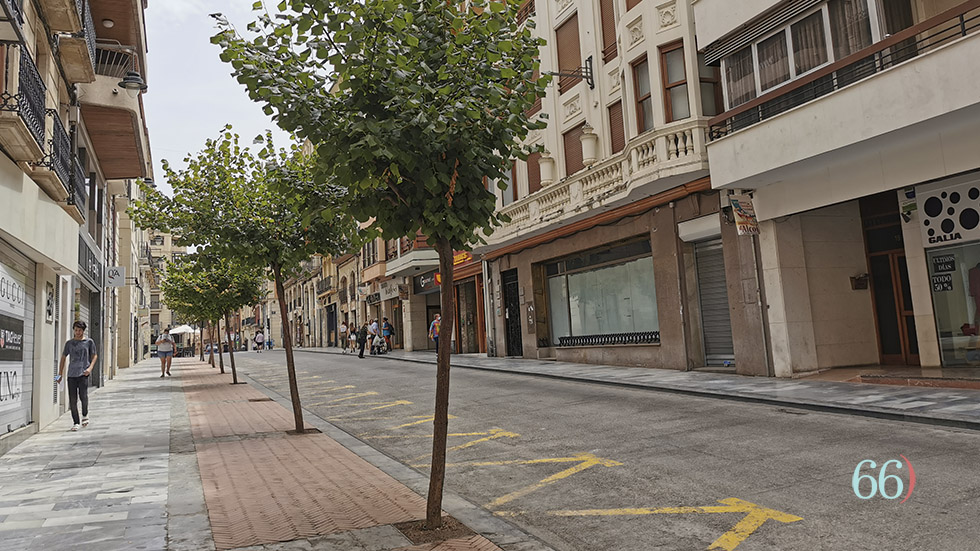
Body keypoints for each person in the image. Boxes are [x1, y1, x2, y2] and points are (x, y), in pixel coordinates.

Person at [56, 321, 98, 431]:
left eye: (79, 330)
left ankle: (85, 414)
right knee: (72, 399)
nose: (77, 332)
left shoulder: (89, 342)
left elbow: (94, 356)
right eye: (75, 330)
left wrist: (90, 368)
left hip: (83, 373)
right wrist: (59, 374)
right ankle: (76, 422)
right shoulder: (69, 343)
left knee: (83, 396)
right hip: (71, 374)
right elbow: (63, 358)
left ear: (83, 331)